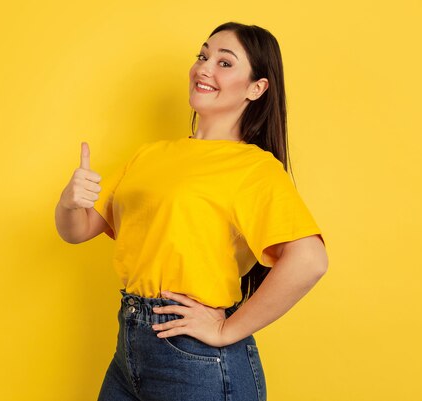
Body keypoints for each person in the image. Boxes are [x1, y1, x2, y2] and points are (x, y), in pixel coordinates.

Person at [55, 21, 328, 401]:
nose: (204, 67)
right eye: (202, 56)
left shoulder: (253, 167)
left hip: (195, 359)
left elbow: (310, 259)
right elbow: (78, 230)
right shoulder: (149, 155)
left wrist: (226, 330)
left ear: (256, 88)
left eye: (224, 62)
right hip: (129, 349)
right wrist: (70, 201)